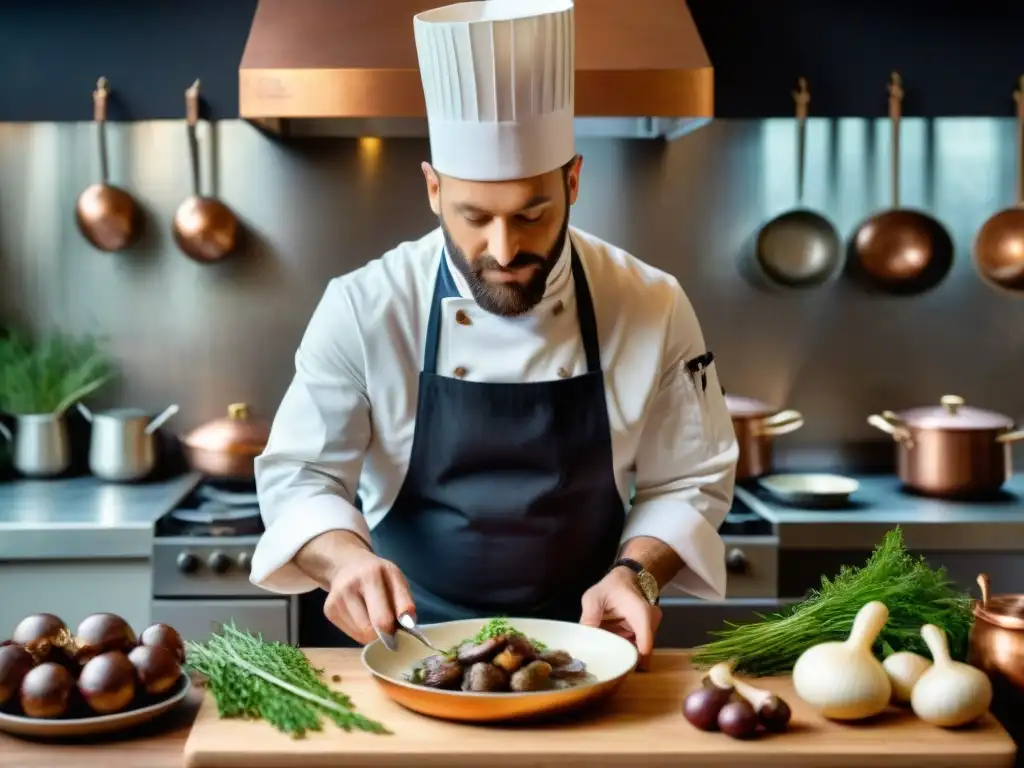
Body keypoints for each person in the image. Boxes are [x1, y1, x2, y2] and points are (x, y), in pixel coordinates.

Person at [249, 0, 738, 666]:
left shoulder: (651, 302)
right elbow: (301, 479)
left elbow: (690, 478)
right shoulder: (366, 307)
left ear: (573, 181)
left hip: (590, 653)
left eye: (533, 214)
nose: (504, 248)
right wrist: (342, 562)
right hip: (407, 650)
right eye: (474, 216)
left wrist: (640, 574)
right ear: (432, 189)